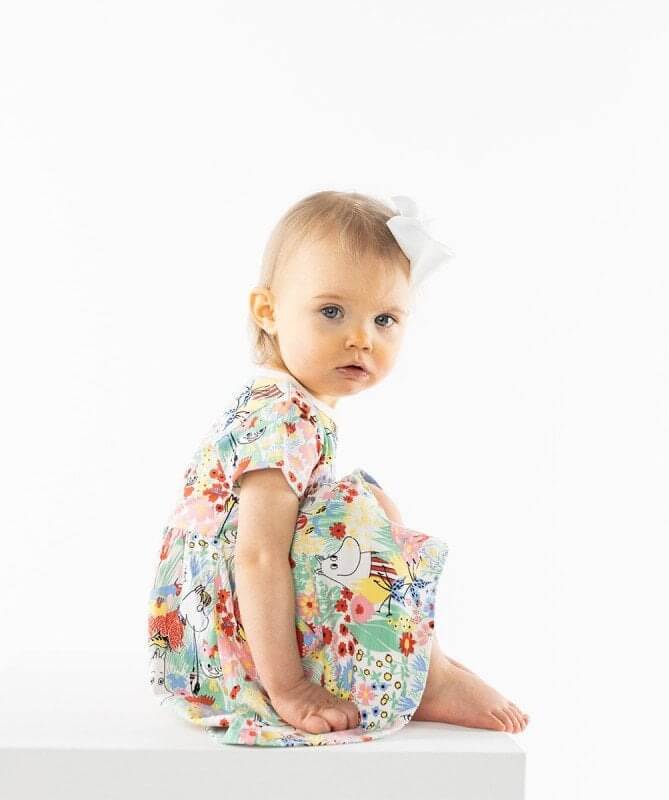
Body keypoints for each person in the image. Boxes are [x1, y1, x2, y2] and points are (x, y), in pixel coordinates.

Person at [147, 190, 529, 746]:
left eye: (384, 319)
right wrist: (290, 688)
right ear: (268, 311)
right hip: (224, 630)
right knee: (358, 512)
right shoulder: (281, 418)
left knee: (368, 501)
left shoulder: (289, 404)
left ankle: (423, 660)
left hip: (223, 616)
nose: (361, 338)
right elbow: (257, 556)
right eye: (332, 312)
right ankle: (426, 675)